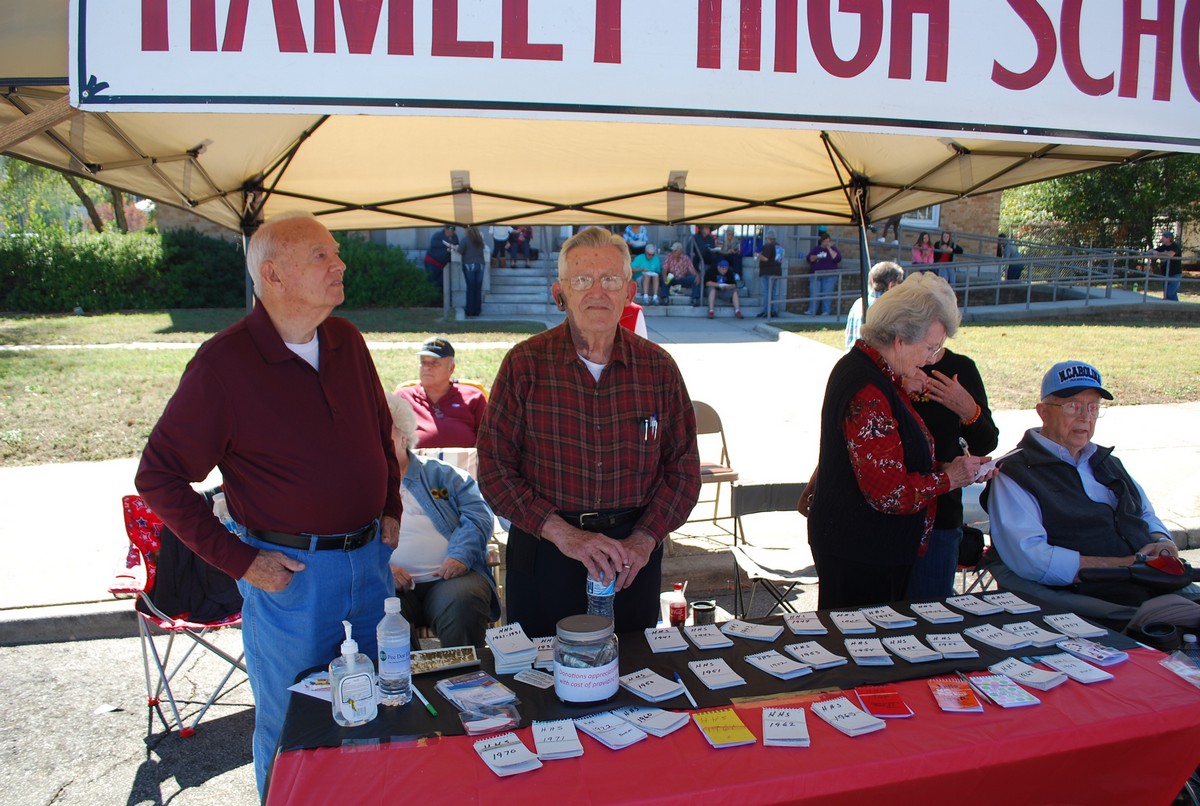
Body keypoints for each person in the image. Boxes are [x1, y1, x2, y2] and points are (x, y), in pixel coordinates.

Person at [135, 211, 401, 798]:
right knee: (292, 726)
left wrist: (390, 509)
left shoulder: (346, 339)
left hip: (371, 564)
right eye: (321, 257)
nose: (340, 265)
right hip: (291, 578)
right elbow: (159, 477)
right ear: (274, 275)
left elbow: (381, 433)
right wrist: (241, 562)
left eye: (335, 254)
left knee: (372, 711)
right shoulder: (223, 364)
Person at [477, 226, 701, 637]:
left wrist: (645, 539)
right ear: (558, 292)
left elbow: (684, 474)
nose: (596, 292)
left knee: (635, 678)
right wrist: (567, 537)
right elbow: (493, 470)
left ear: (630, 292)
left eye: (610, 280)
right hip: (546, 551)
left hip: (630, 560)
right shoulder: (524, 365)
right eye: (581, 280)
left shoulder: (658, 369)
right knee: (541, 684)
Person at [807, 272, 992, 609]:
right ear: (900, 339)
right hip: (862, 551)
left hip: (861, 545)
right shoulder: (869, 388)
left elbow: (892, 461)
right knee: (863, 647)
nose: (931, 357)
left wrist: (942, 467)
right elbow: (889, 493)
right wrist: (950, 478)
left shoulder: (875, 374)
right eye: (930, 347)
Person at [984, 360, 1199, 629]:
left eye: (1093, 407)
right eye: (1072, 405)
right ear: (1043, 412)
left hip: (1153, 584)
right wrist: (1126, 564)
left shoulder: (1106, 461)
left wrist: (1163, 544)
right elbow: (1033, 559)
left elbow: (1145, 513)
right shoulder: (1015, 472)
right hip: (1095, 601)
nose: (1084, 416)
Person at [386, 394, 499, 647]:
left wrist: (460, 555)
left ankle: (464, 680)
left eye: (385, 430)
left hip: (451, 578)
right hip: (388, 582)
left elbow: (478, 515)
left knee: (463, 600)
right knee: (379, 607)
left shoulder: (443, 475)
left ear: (403, 434)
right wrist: (381, 569)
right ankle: (408, 683)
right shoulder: (361, 487)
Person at [904, 344, 999, 599]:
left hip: (941, 516)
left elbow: (987, 442)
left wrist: (969, 410)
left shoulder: (961, 368)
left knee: (931, 615)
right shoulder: (893, 365)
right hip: (887, 516)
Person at [395, 337, 487, 449]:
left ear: (451, 368)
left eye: (435, 363)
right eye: (423, 362)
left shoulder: (474, 397)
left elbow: (489, 440)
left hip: (463, 465)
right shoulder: (403, 398)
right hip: (414, 465)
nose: (427, 367)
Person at [844, 261, 904, 351]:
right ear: (892, 285)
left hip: (852, 359)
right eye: (900, 283)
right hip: (872, 362)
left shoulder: (858, 303)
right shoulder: (887, 309)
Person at [805, 233, 842, 316]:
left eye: (828, 241)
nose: (826, 243)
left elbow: (837, 258)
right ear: (821, 242)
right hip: (816, 275)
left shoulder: (833, 249)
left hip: (830, 276)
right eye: (825, 242)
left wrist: (829, 248)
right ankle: (812, 310)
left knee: (827, 294)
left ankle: (826, 311)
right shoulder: (816, 249)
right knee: (814, 293)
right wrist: (817, 257)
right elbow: (809, 258)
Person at [659, 240, 703, 306]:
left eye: (675, 250)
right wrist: (664, 275)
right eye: (672, 250)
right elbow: (664, 268)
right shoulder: (668, 257)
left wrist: (697, 275)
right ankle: (665, 298)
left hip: (683, 278)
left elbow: (692, 270)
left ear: (680, 251)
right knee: (664, 278)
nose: (673, 252)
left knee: (695, 279)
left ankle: (695, 299)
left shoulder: (686, 258)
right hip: (672, 278)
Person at [755, 229, 785, 318]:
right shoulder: (779, 247)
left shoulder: (768, 246)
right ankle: (774, 311)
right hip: (776, 271)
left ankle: (766, 311)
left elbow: (765, 258)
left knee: (766, 292)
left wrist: (758, 255)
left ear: (768, 237)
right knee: (774, 292)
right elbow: (781, 259)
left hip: (767, 272)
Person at [425, 224, 458, 299]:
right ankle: (430, 299)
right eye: (449, 230)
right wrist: (449, 245)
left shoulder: (455, 237)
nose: (450, 232)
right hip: (432, 263)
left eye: (452, 231)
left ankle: (439, 299)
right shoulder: (438, 235)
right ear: (445, 229)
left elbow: (456, 246)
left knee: (441, 283)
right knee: (431, 281)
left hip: (443, 265)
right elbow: (434, 244)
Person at [459, 225, 486, 317]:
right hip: (480, 265)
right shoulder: (480, 240)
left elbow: (460, 251)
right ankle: (477, 310)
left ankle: (470, 310)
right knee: (478, 289)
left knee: (470, 288)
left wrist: (453, 248)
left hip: (469, 265)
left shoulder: (465, 240)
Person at [1154, 230, 1183, 301]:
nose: (1162, 239)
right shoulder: (1164, 246)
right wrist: (1149, 252)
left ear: (1168, 239)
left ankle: (1176, 308)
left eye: (1163, 238)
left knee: (1171, 294)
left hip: (1175, 273)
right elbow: (1154, 251)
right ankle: (1170, 309)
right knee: (1167, 294)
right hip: (1166, 273)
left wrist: (1158, 254)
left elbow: (1170, 254)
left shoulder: (1175, 246)